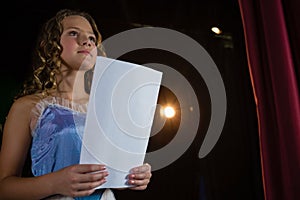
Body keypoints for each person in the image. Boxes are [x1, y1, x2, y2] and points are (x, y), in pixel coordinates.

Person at [0, 9, 152, 199]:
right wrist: (54, 183)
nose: (86, 41)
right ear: (50, 44)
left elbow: (109, 174)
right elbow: (4, 187)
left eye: (91, 37)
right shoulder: (29, 106)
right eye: (73, 33)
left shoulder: (106, 107)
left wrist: (133, 176)